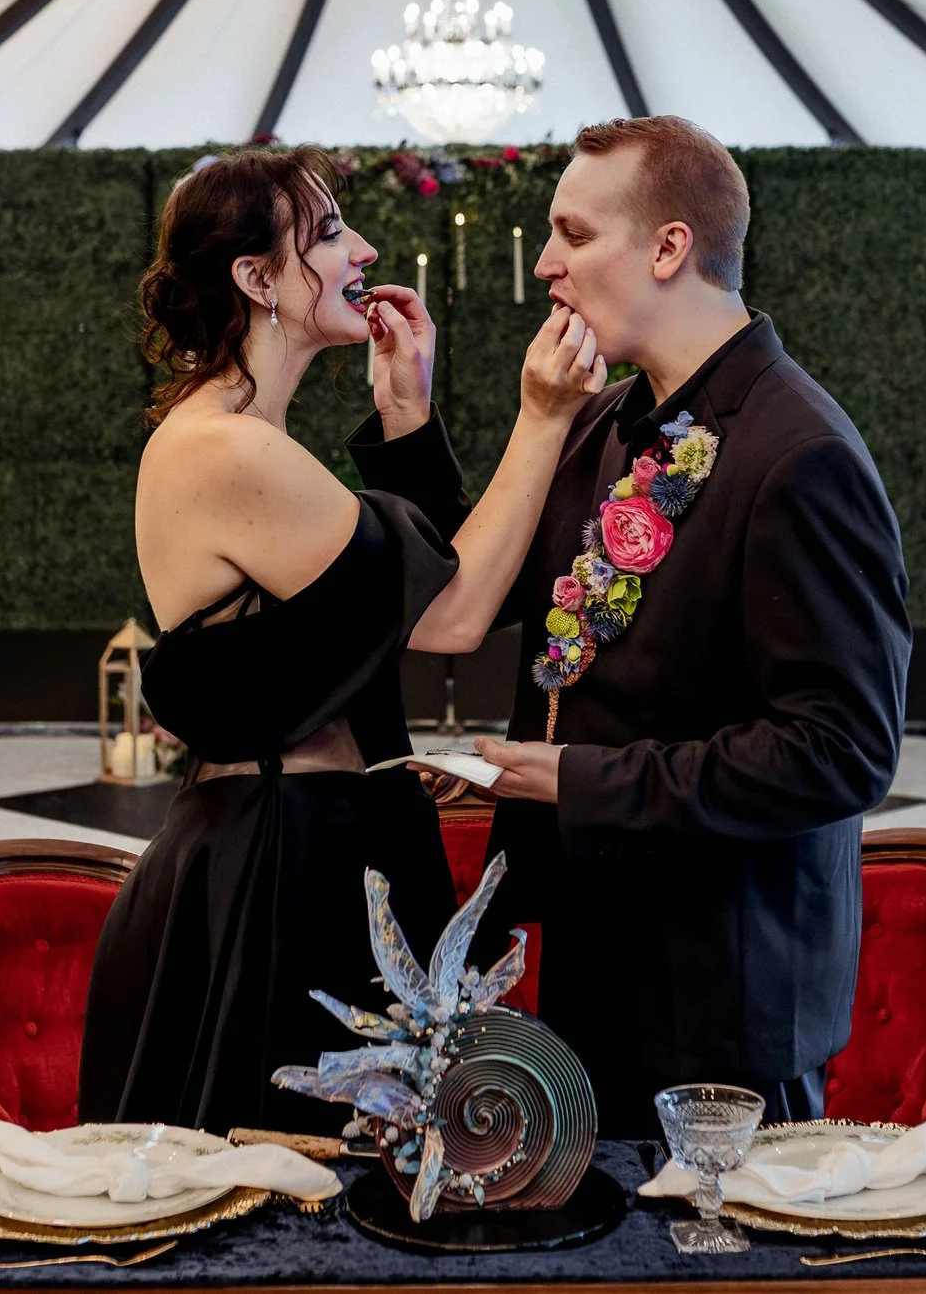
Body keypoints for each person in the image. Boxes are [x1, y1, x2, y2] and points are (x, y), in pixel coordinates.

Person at [352, 116, 912, 1139]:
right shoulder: (608, 421)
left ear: (667, 248)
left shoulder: (799, 454)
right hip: (597, 953)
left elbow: (843, 750)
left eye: (572, 231)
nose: (545, 263)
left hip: (726, 994)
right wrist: (408, 426)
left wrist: (576, 778)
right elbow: (474, 593)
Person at [76, 145, 605, 1135]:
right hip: (274, 874)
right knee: (288, 1201)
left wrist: (405, 406)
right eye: (326, 235)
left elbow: (379, 610)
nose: (361, 248)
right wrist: (543, 417)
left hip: (309, 843)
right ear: (257, 278)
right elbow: (444, 617)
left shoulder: (247, 437)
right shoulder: (225, 448)